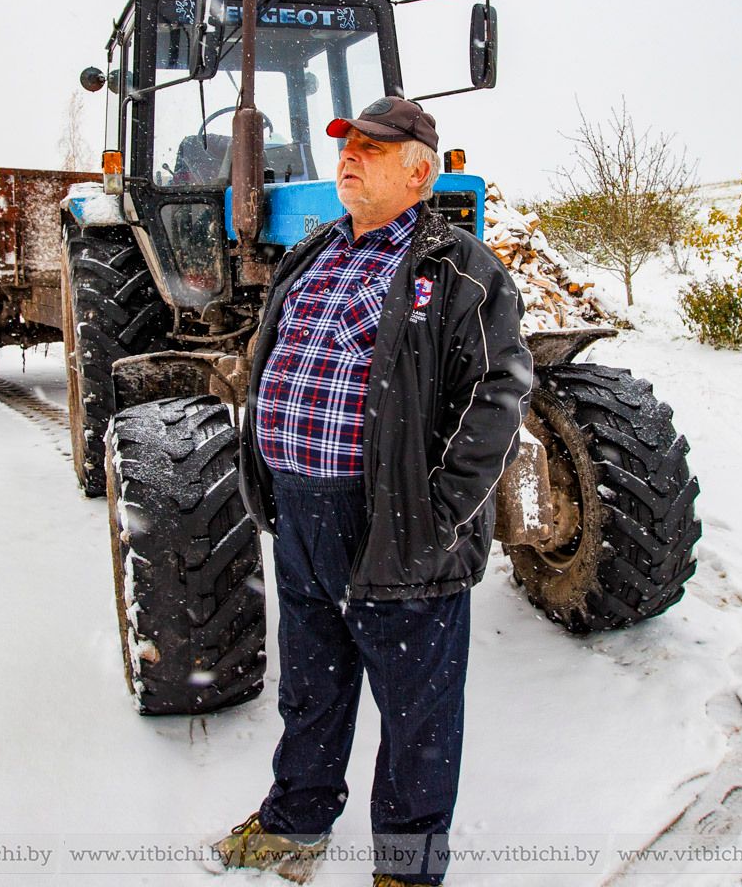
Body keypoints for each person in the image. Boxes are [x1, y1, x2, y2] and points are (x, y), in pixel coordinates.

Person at [217, 96, 533, 886]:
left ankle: (408, 868)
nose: (350, 156)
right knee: (312, 686)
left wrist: (435, 514)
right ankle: (296, 821)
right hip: (299, 512)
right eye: (347, 144)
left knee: (418, 718)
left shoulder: (459, 267)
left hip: (395, 526)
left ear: (418, 170)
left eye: (372, 147)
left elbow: (497, 392)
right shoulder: (313, 250)